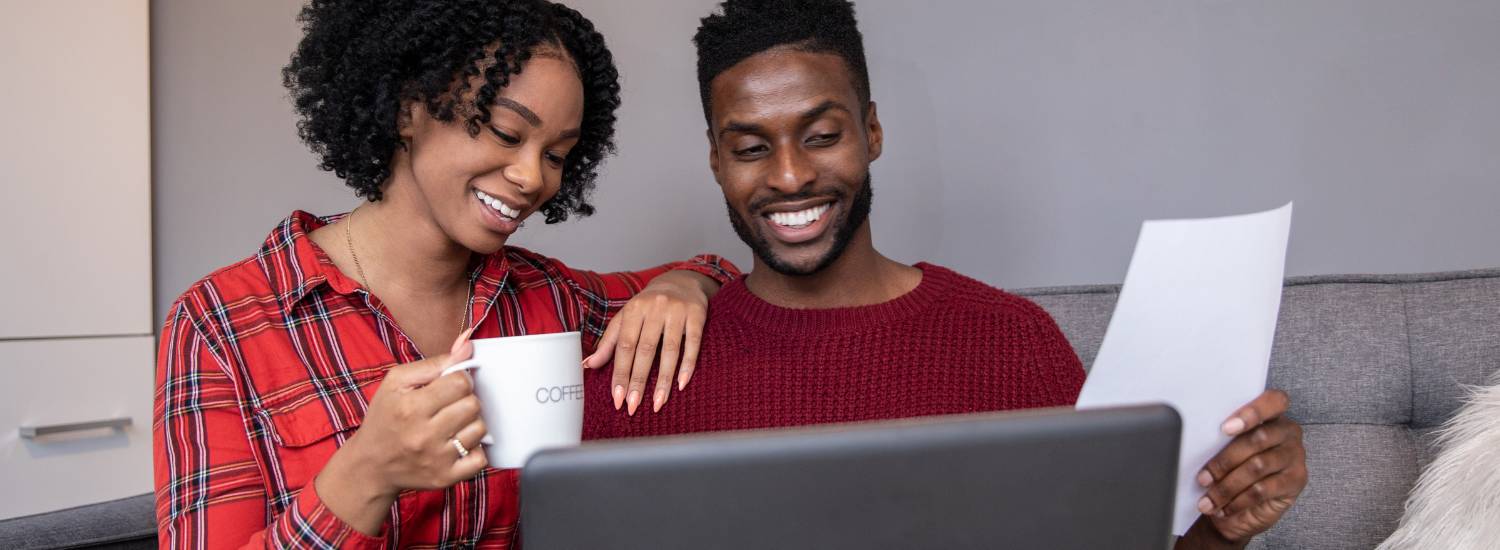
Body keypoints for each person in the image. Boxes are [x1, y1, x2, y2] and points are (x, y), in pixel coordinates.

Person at [583, 0, 1308, 547]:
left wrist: (1222, 531)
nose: (791, 174)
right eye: (749, 148)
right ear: (716, 161)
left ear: (871, 131)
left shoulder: (1011, 339)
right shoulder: (643, 367)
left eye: (822, 136)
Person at [153, 1, 737, 547]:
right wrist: (366, 473)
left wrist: (685, 284)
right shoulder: (222, 325)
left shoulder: (550, 299)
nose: (533, 177)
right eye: (507, 133)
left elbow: (717, 274)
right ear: (409, 109)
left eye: (556, 154)